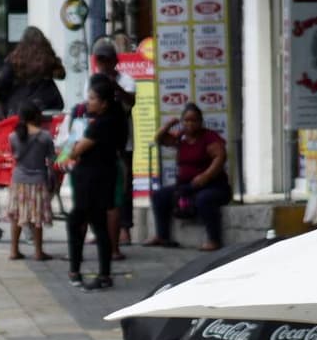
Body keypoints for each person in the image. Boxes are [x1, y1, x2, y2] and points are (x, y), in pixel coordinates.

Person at [61, 74, 128, 291]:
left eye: (92, 99)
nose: (88, 102)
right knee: (99, 224)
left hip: (91, 179)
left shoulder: (100, 124)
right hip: (104, 175)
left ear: (104, 103)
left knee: (78, 221)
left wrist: (69, 150)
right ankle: (103, 274)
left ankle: (76, 270)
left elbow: (74, 150)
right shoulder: (118, 117)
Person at [144, 102, 231, 251]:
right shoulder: (181, 138)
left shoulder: (209, 137)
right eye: (186, 120)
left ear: (200, 121)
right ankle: (162, 235)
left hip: (213, 186)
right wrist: (169, 125)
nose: (190, 124)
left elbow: (220, 157)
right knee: (159, 196)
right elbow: (159, 139)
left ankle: (214, 240)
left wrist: (206, 176)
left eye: (194, 120)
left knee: (204, 199)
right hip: (187, 186)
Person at [90, 38, 138, 256]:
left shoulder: (126, 80)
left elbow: (131, 102)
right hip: (100, 142)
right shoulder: (93, 81)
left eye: (106, 59)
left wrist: (113, 86)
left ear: (115, 60)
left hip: (122, 141)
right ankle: (101, 230)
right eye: (99, 60)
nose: (103, 64)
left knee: (124, 186)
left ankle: (124, 229)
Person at [6, 103, 56, 261]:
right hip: (38, 181)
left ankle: (14, 251)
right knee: (37, 217)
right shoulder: (45, 136)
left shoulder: (13, 136)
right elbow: (51, 159)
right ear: (36, 116)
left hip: (18, 181)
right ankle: (38, 252)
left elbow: (13, 155)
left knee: (17, 216)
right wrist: (53, 179)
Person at [0, 26, 66, 118]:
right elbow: (61, 74)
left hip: (18, 110)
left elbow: (0, 88)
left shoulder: (14, 61)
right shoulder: (47, 60)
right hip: (44, 107)